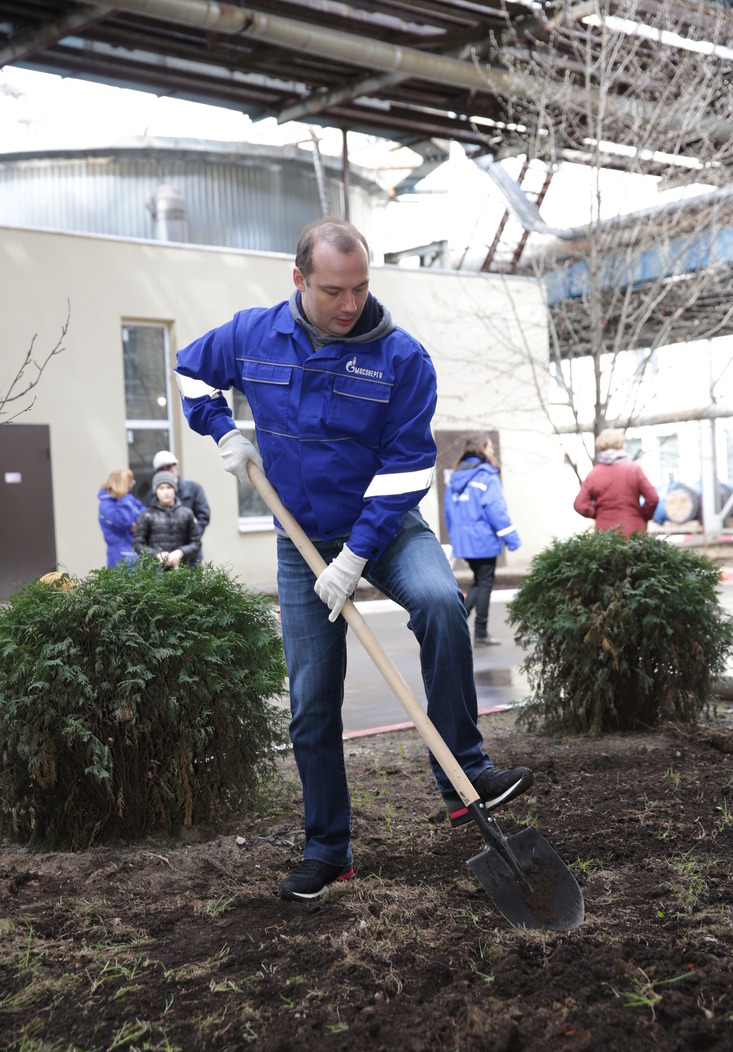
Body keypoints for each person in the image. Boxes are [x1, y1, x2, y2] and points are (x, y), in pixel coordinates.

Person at [174, 216, 534, 902]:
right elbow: (189, 372)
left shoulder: (401, 358)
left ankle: (463, 773)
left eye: (360, 288)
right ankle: (327, 850)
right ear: (299, 280)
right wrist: (224, 431)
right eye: (334, 290)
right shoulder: (252, 335)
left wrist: (355, 558)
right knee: (311, 701)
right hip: (299, 539)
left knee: (437, 603)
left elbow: (404, 470)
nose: (349, 304)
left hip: (387, 528)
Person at [444, 435, 521, 647]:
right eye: (490, 447)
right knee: (484, 583)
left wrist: (456, 537)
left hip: (464, 541)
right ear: (481, 449)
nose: (493, 451)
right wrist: (511, 539)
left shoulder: (455, 478)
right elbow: (496, 510)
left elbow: (449, 513)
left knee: (479, 581)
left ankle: (464, 624)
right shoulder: (487, 476)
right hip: (483, 539)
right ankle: (477, 630)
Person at [573, 428, 659, 537]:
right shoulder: (634, 469)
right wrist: (645, 515)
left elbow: (579, 505)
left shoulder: (594, 474)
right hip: (634, 531)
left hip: (605, 533)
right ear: (620, 444)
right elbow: (653, 498)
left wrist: (598, 514)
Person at [148, 450, 210, 564]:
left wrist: (189, 541)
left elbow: (204, 517)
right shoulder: (152, 495)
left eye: (170, 467)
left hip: (190, 555)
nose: (167, 471)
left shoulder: (194, 489)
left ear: (176, 468)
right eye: (162, 469)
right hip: (162, 557)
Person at [133, 470, 202, 568]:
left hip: (183, 570)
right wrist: (157, 554)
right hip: (155, 571)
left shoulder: (187, 514)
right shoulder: (146, 515)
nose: (166, 492)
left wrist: (180, 552)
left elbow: (196, 543)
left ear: (175, 489)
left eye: (169, 487)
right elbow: (137, 544)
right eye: (161, 488)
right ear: (155, 491)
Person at [98, 468, 146, 567]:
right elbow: (125, 522)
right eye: (131, 482)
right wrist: (123, 498)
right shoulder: (107, 504)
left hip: (135, 554)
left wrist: (138, 525)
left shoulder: (128, 498)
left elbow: (145, 513)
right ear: (123, 484)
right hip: (120, 558)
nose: (132, 485)